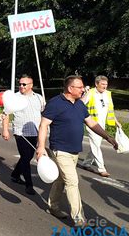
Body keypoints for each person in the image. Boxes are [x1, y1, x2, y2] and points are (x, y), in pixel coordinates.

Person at [36, 75, 119, 227]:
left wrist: (108, 137)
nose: (83, 89)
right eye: (80, 87)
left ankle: (53, 207)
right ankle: (79, 219)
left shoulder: (80, 105)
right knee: (72, 182)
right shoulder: (55, 103)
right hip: (60, 150)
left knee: (61, 180)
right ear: (70, 88)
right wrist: (41, 146)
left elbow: (91, 123)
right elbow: (43, 125)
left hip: (74, 151)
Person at [2, 75, 44, 195]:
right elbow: (6, 114)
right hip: (21, 133)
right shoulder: (15, 97)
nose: (21, 86)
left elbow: (43, 113)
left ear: (31, 85)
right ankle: (29, 185)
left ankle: (15, 174)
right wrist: (5, 130)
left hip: (35, 131)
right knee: (26, 157)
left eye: (24, 84)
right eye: (19, 84)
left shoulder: (39, 98)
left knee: (28, 156)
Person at [81, 75, 121, 177]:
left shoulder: (107, 94)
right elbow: (80, 104)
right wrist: (84, 93)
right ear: (96, 84)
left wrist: (116, 121)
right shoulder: (90, 93)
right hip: (92, 124)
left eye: (106, 84)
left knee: (96, 145)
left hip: (102, 125)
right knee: (96, 145)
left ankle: (86, 163)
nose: (104, 86)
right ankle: (101, 169)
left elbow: (110, 109)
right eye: (102, 84)